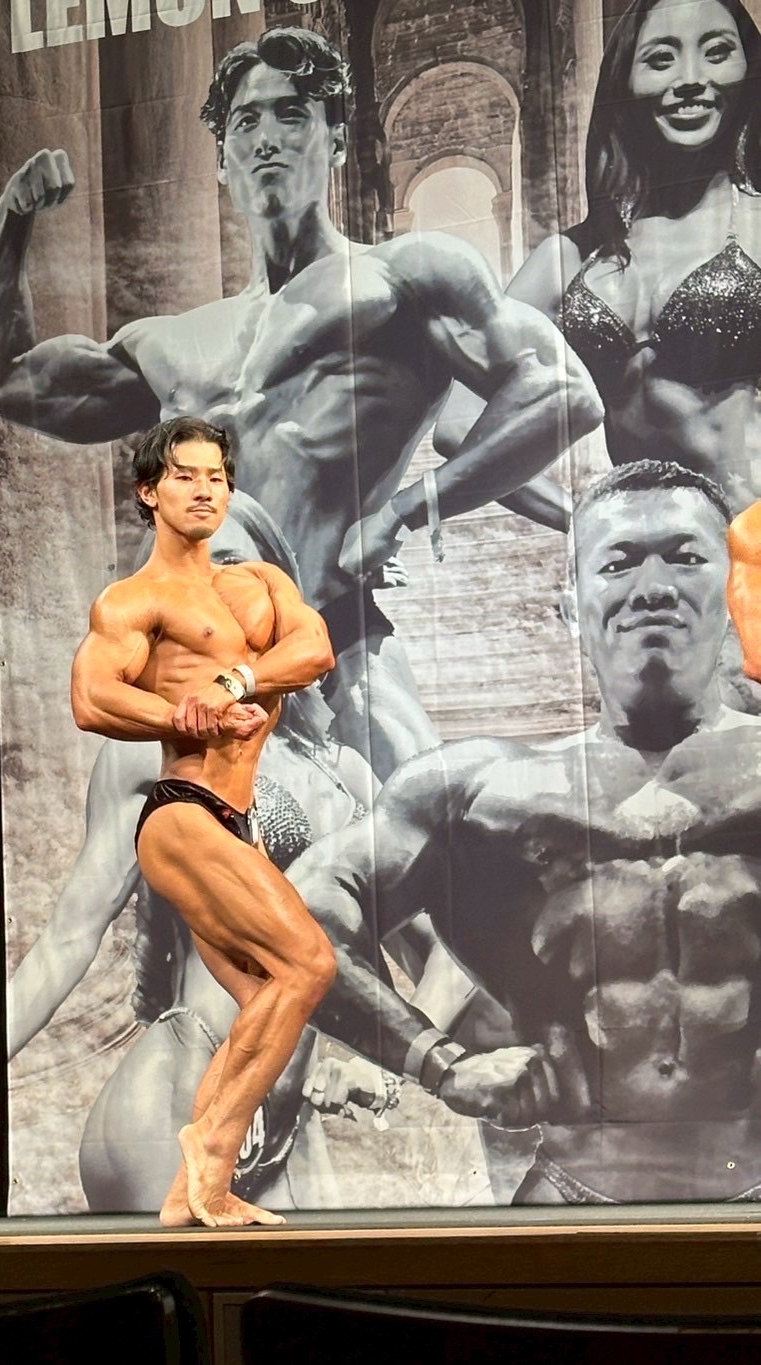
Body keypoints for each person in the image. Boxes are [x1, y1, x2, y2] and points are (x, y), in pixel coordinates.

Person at [0, 27, 601, 779]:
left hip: (332, 637)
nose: (267, 138)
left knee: (423, 814)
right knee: (151, 843)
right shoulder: (174, 343)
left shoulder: (406, 279)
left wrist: (407, 509)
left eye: (292, 114)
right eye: (246, 121)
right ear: (222, 159)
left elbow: (561, 390)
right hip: (194, 659)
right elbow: (11, 382)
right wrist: (12, 224)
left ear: (335, 140)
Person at [289, 460, 761, 1205]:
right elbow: (297, 915)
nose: (652, 587)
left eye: (685, 557)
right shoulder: (478, 794)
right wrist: (437, 1062)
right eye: (617, 563)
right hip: (571, 1194)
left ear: (732, 590)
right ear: (571, 606)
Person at [440, 0, 761, 690]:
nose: (691, 78)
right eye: (661, 58)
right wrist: (586, 519)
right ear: (625, 81)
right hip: (654, 585)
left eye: (716, 51)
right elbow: (458, 426)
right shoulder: (570, 259)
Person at [69, 415, 338, 1227]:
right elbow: (91, 697)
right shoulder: (136, 601)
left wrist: (233, 682)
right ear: (149, 492)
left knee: (265, 999)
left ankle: (193, 1192)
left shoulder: (260, 582)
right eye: (184, 476)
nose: (204, 490)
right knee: (310, 964)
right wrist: (179, 717)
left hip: (234, 822)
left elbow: (315, 650)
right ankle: (212, 1148)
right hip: (183, 814)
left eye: (216, 476)